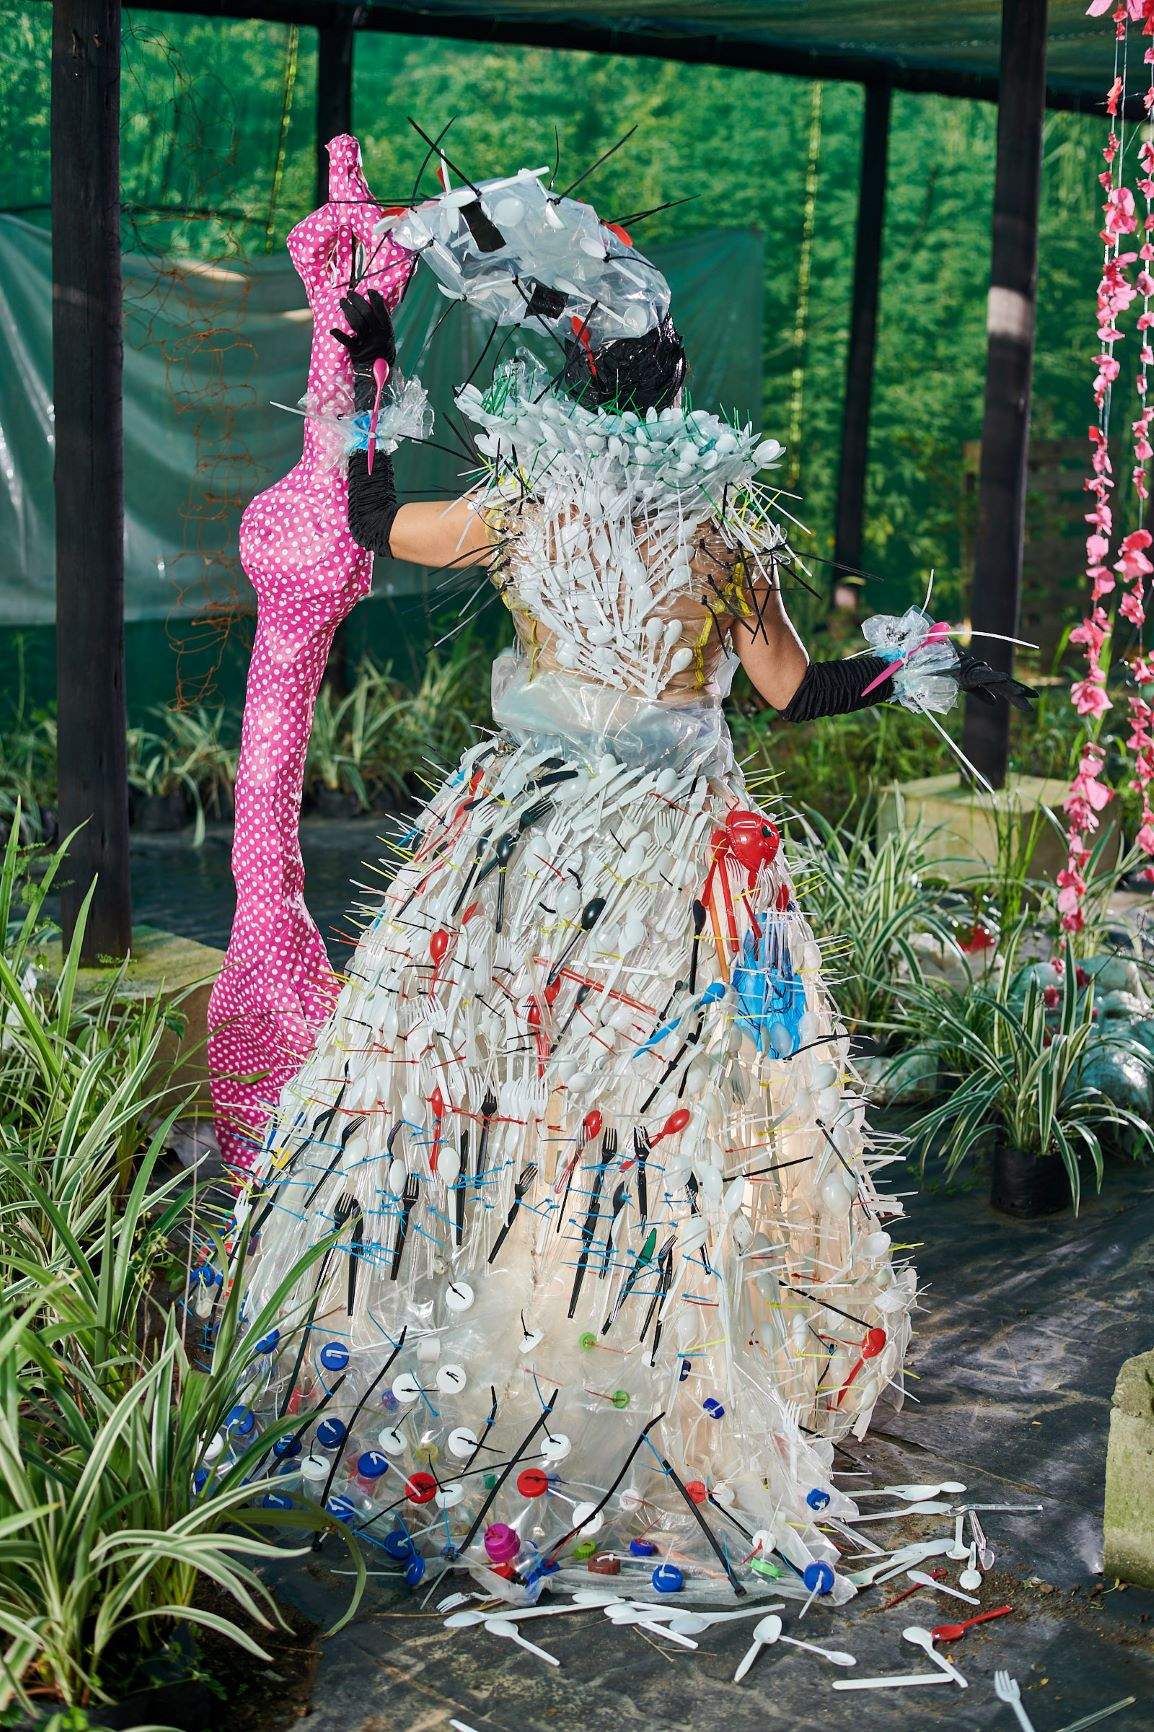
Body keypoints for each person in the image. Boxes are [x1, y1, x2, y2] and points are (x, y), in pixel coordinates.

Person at [229, 166, 1030, 1604]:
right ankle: (645, 1382)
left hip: (517, 839)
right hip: (671, 849)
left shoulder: (522, 506)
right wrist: (926, 657)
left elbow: (365, 526)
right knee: (661, 1113)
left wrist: (357, 365)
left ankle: (482, 1346)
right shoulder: (724, 535)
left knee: (485, 1083)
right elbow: (792, 693)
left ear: (574, 373)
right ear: (677, 389)